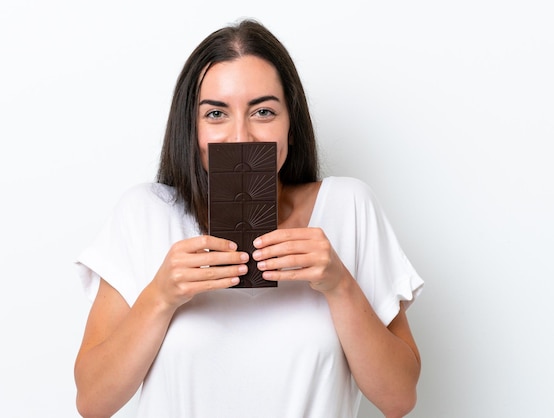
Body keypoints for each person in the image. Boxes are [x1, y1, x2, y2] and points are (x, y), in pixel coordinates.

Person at [74, 18, 424, 418]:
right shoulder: (145, 214)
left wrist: (340, 285)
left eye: (262, 111)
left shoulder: (348, 207)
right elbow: (93, 403)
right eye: (216, 114)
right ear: (192, 128)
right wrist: (161, 296)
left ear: (291, 126)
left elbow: (399, 399)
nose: (241, 136)